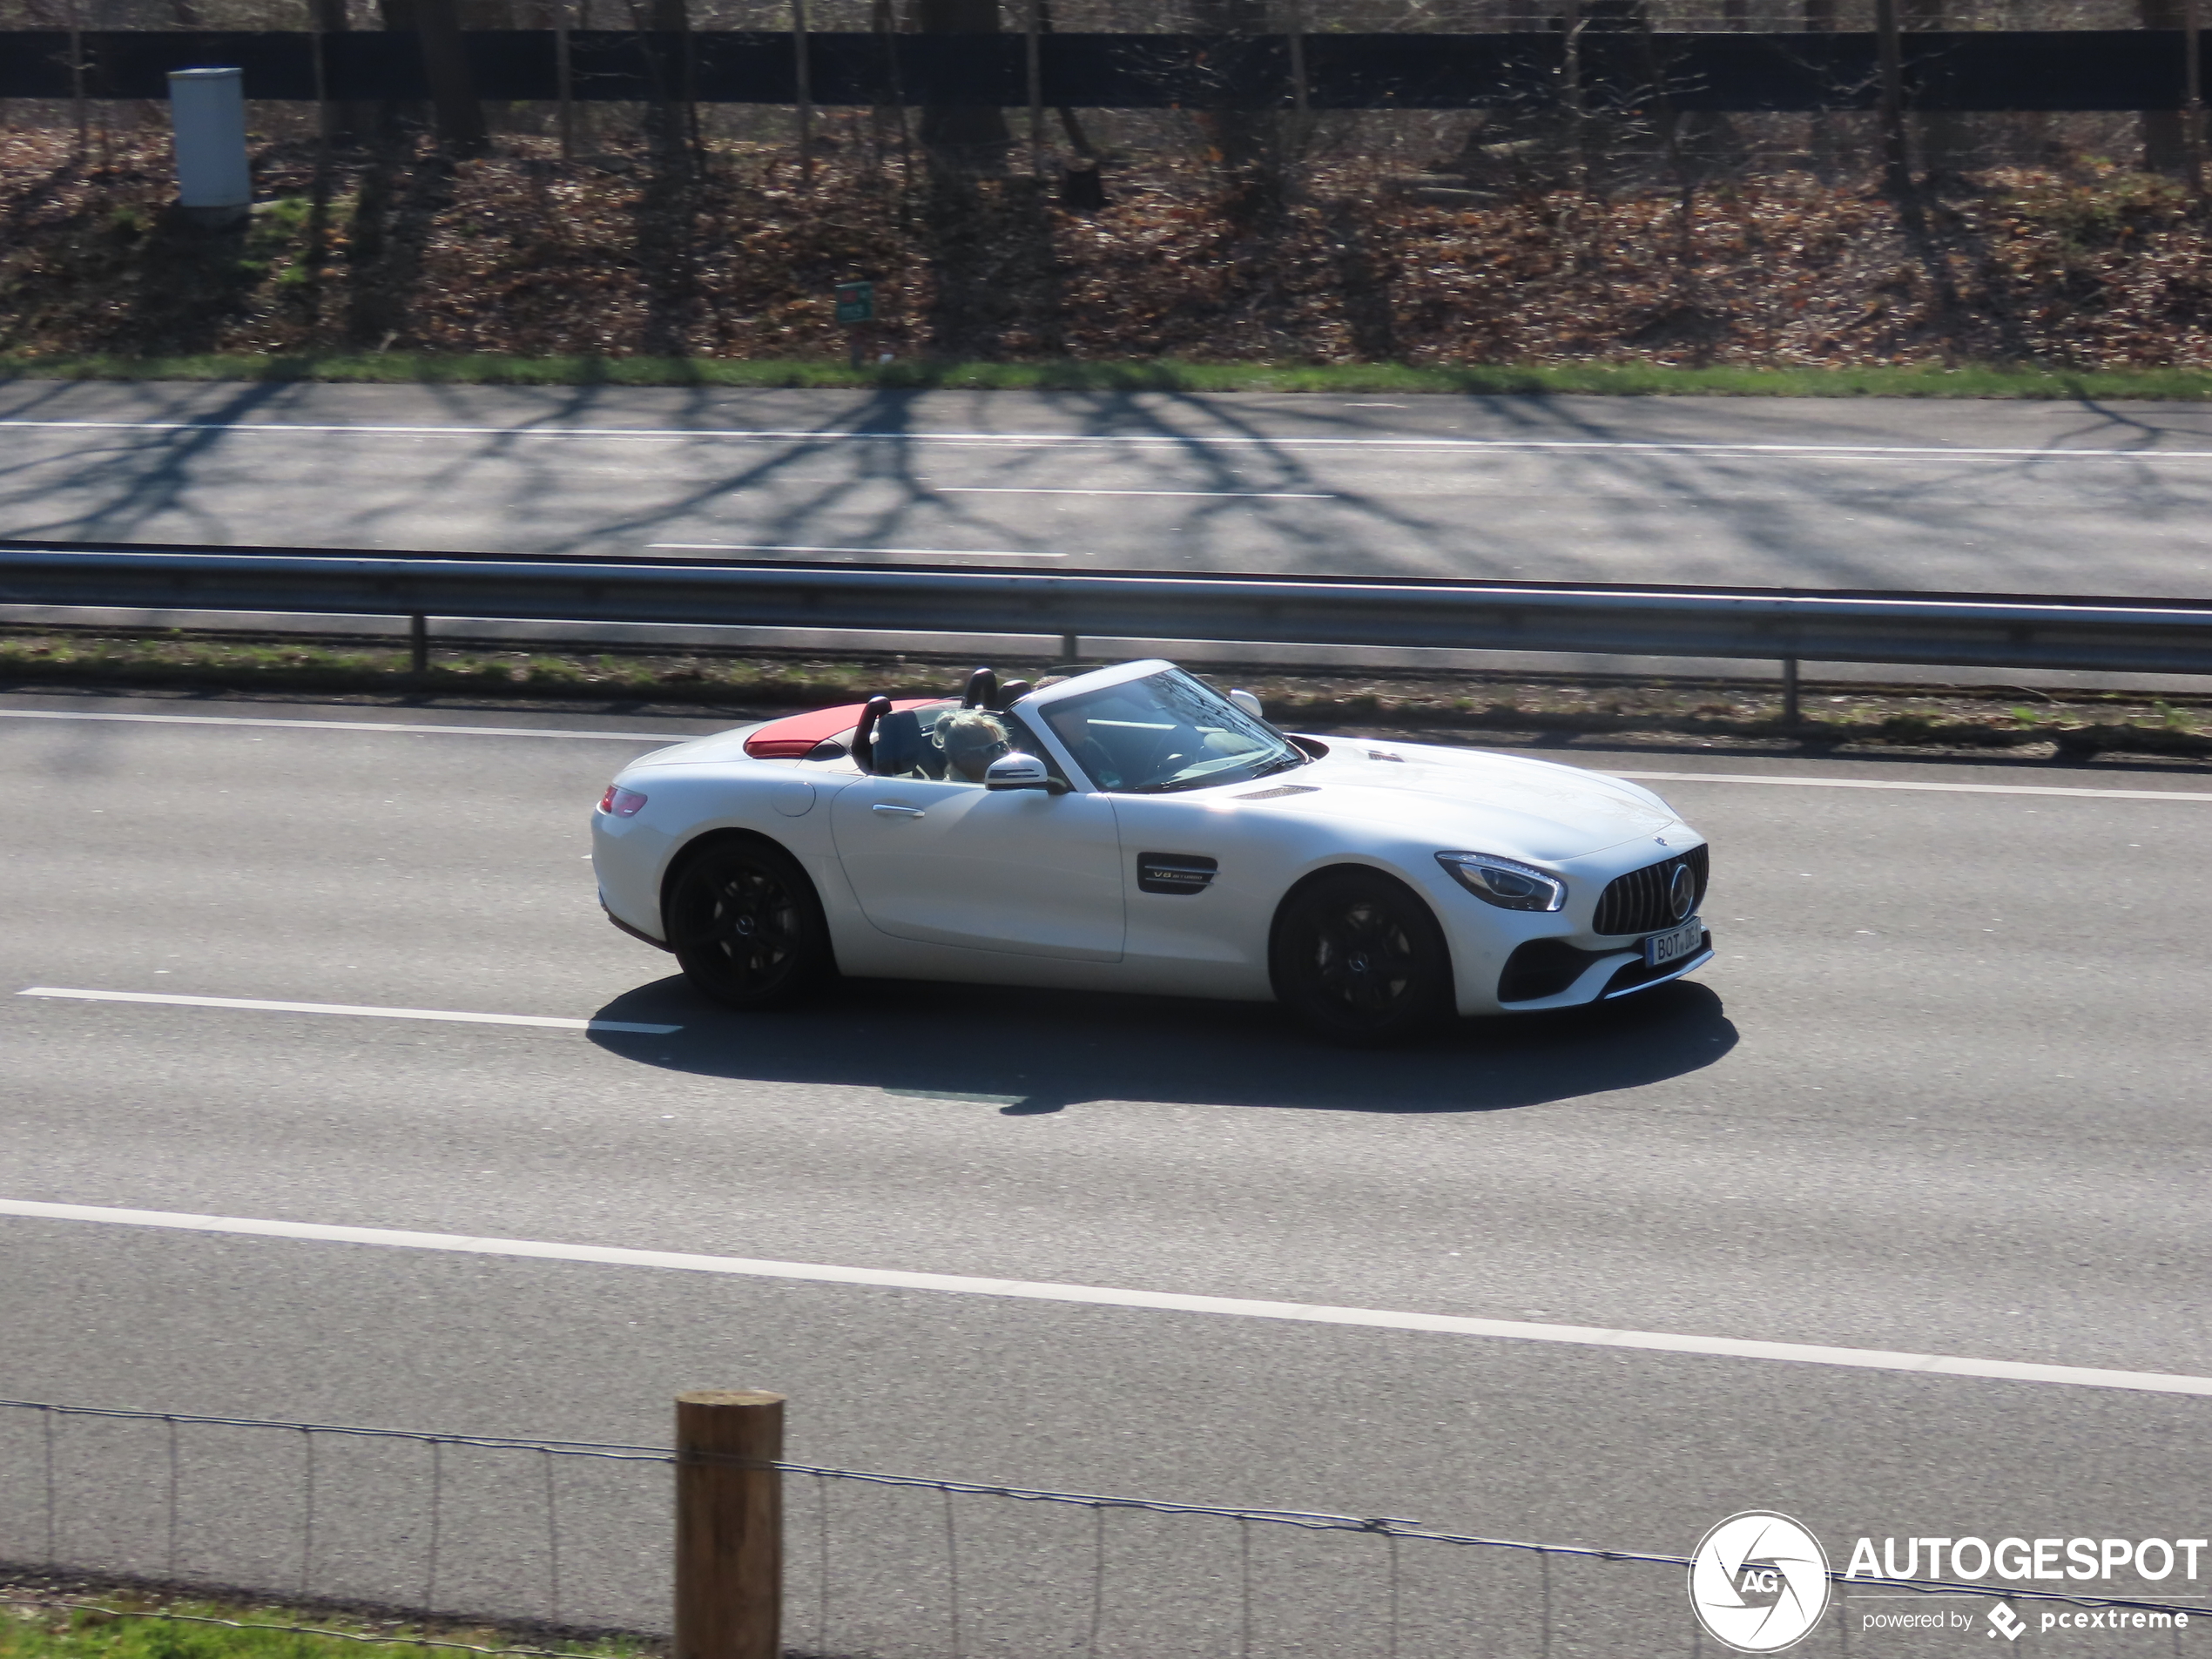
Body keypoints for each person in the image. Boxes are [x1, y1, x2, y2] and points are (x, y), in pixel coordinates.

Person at [933, 709, 1012, 782]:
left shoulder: (990, 784)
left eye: (1001, 746)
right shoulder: (957, 794)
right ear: (964, 759)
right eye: (991, 750)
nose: (1000, 755)